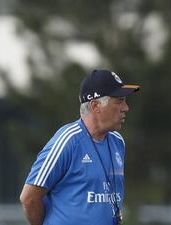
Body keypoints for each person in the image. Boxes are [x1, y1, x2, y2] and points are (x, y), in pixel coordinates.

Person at [20, 69, 139, 225]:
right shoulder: (68, 140)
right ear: (95, 105)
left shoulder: (118, 141)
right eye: (119, 101)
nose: (126, 108)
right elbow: (29, 198)